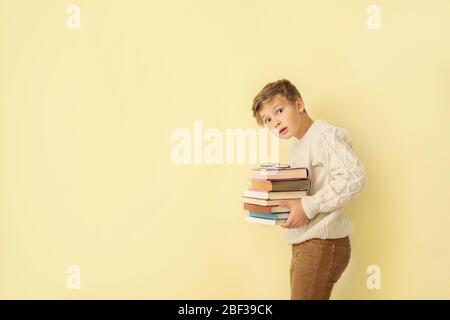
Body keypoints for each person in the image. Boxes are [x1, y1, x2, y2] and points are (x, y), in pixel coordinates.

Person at [251, 79, 368, 300]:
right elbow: (308, 193)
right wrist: (284, 210)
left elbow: (354, 176)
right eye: (268, 120)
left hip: (323, 242)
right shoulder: (298, 145)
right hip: (305, 242)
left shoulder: (323, 135)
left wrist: (306, 207)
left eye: (279, 111)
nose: (275, 122)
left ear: (299, 105)